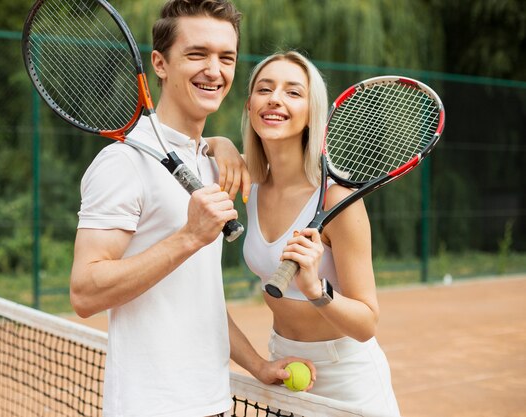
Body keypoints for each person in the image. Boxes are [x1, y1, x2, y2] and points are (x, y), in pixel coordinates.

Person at [69, 2, 312, 416]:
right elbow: (84, 292)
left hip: (213, 401)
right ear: (160, 64)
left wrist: (257, 365)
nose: (214, 70)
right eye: (197, 54)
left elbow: (199, 299)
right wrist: (189, 237)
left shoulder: (211, 163)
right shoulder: (121, 163)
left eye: (226, 58)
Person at [219, 51, 401, 415]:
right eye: (264, 89)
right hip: (284, 366)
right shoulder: (249, 184)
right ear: (249, 106)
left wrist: (317, 291)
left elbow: (367, 323)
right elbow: (194, 147)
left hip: (347, 377)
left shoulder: (337, 200)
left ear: (311, 114)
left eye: (293, 92)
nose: (275, 99)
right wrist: (218, 143)